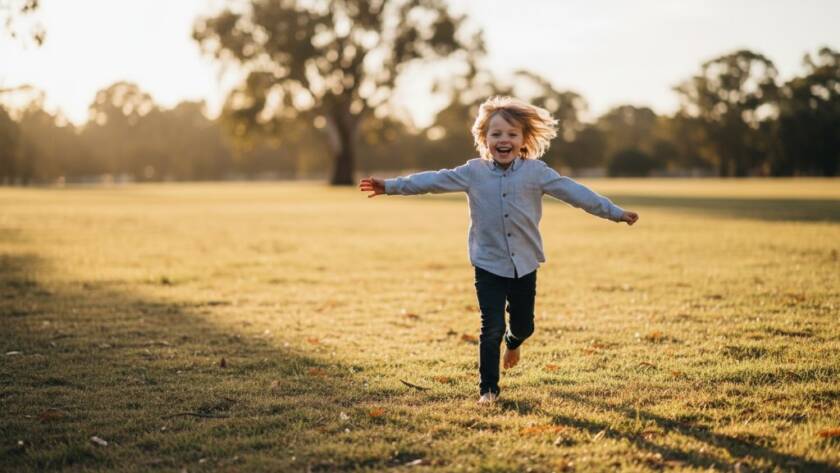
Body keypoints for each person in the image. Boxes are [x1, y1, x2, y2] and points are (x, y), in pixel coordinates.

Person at [359, 96, 639, 404]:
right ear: (484, 139)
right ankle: (488, 390)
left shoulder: (536, 173)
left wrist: (614, 212)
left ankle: (514, 341)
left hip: (525, 263)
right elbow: (432, 181)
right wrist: (391, 186)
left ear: (523, 141)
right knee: (490, 326)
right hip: (488, 263)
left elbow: (576, 193)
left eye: (511, 134)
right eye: (496, 134)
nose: (503, 140)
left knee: (524, 325)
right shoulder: (472, 172)